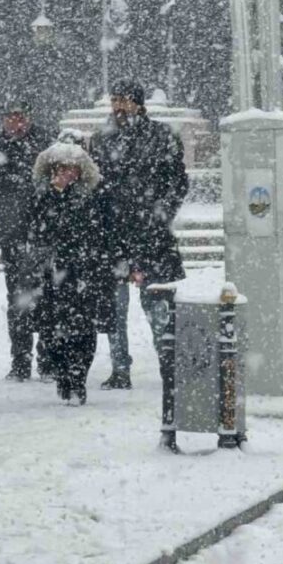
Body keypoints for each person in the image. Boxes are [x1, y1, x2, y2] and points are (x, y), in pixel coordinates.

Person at [89, 79, 189, 391]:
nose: (118, 106)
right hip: (113, 236)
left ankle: (169, 364)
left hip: (152, 236)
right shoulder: (101, 139)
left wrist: (160, 214)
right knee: (114, 311)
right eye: (114, 100)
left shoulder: (161, 136)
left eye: (124, 100)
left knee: (158, 308)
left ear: (138, 104)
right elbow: (95, 186)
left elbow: (177, 182)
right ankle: (120, 368)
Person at [23, 142, 120, 405]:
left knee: (83, 329)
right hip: (52, 273)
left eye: (72, 168)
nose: (67, 173)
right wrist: (53, 195)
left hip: (85, 271)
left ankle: (77, 379)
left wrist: (108, 262)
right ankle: (63, 374)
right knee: (52, 329)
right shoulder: (40, 194)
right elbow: (35, 229)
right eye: (61, 168)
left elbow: (106, 230)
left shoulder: (97, 194)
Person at [0, 100, 55, 382]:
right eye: (9, 117)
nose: (14, 123)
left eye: (19, 117)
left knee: (48, 298)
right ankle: (20, 360)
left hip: (45, 234)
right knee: (17, 299)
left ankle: (48, 360)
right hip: (12, 236)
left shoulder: (47, 144)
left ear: (29, 118)